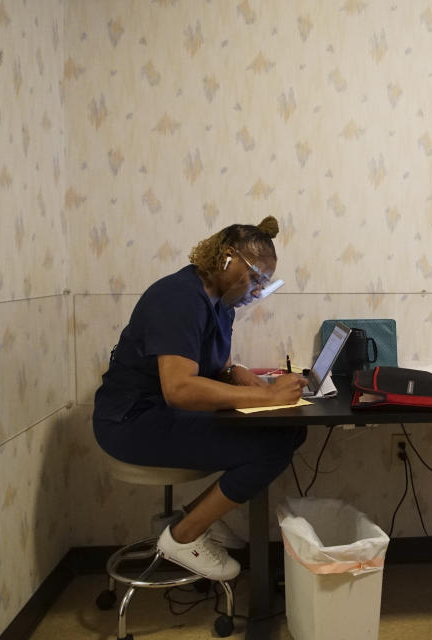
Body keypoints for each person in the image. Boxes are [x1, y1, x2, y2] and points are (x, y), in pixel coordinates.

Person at [93, 216, 308, 581]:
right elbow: (180, 389)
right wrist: (269, 396)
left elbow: (210, 368)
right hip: (130, 422)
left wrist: (238, 373)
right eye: (255, 278)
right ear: (226, 257)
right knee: (273, 444)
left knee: (291, 432)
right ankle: (184, 535)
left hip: (159, 414)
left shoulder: (220, 304)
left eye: (264, 284)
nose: (256, 291)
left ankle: (189, 518)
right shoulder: (178, 298)